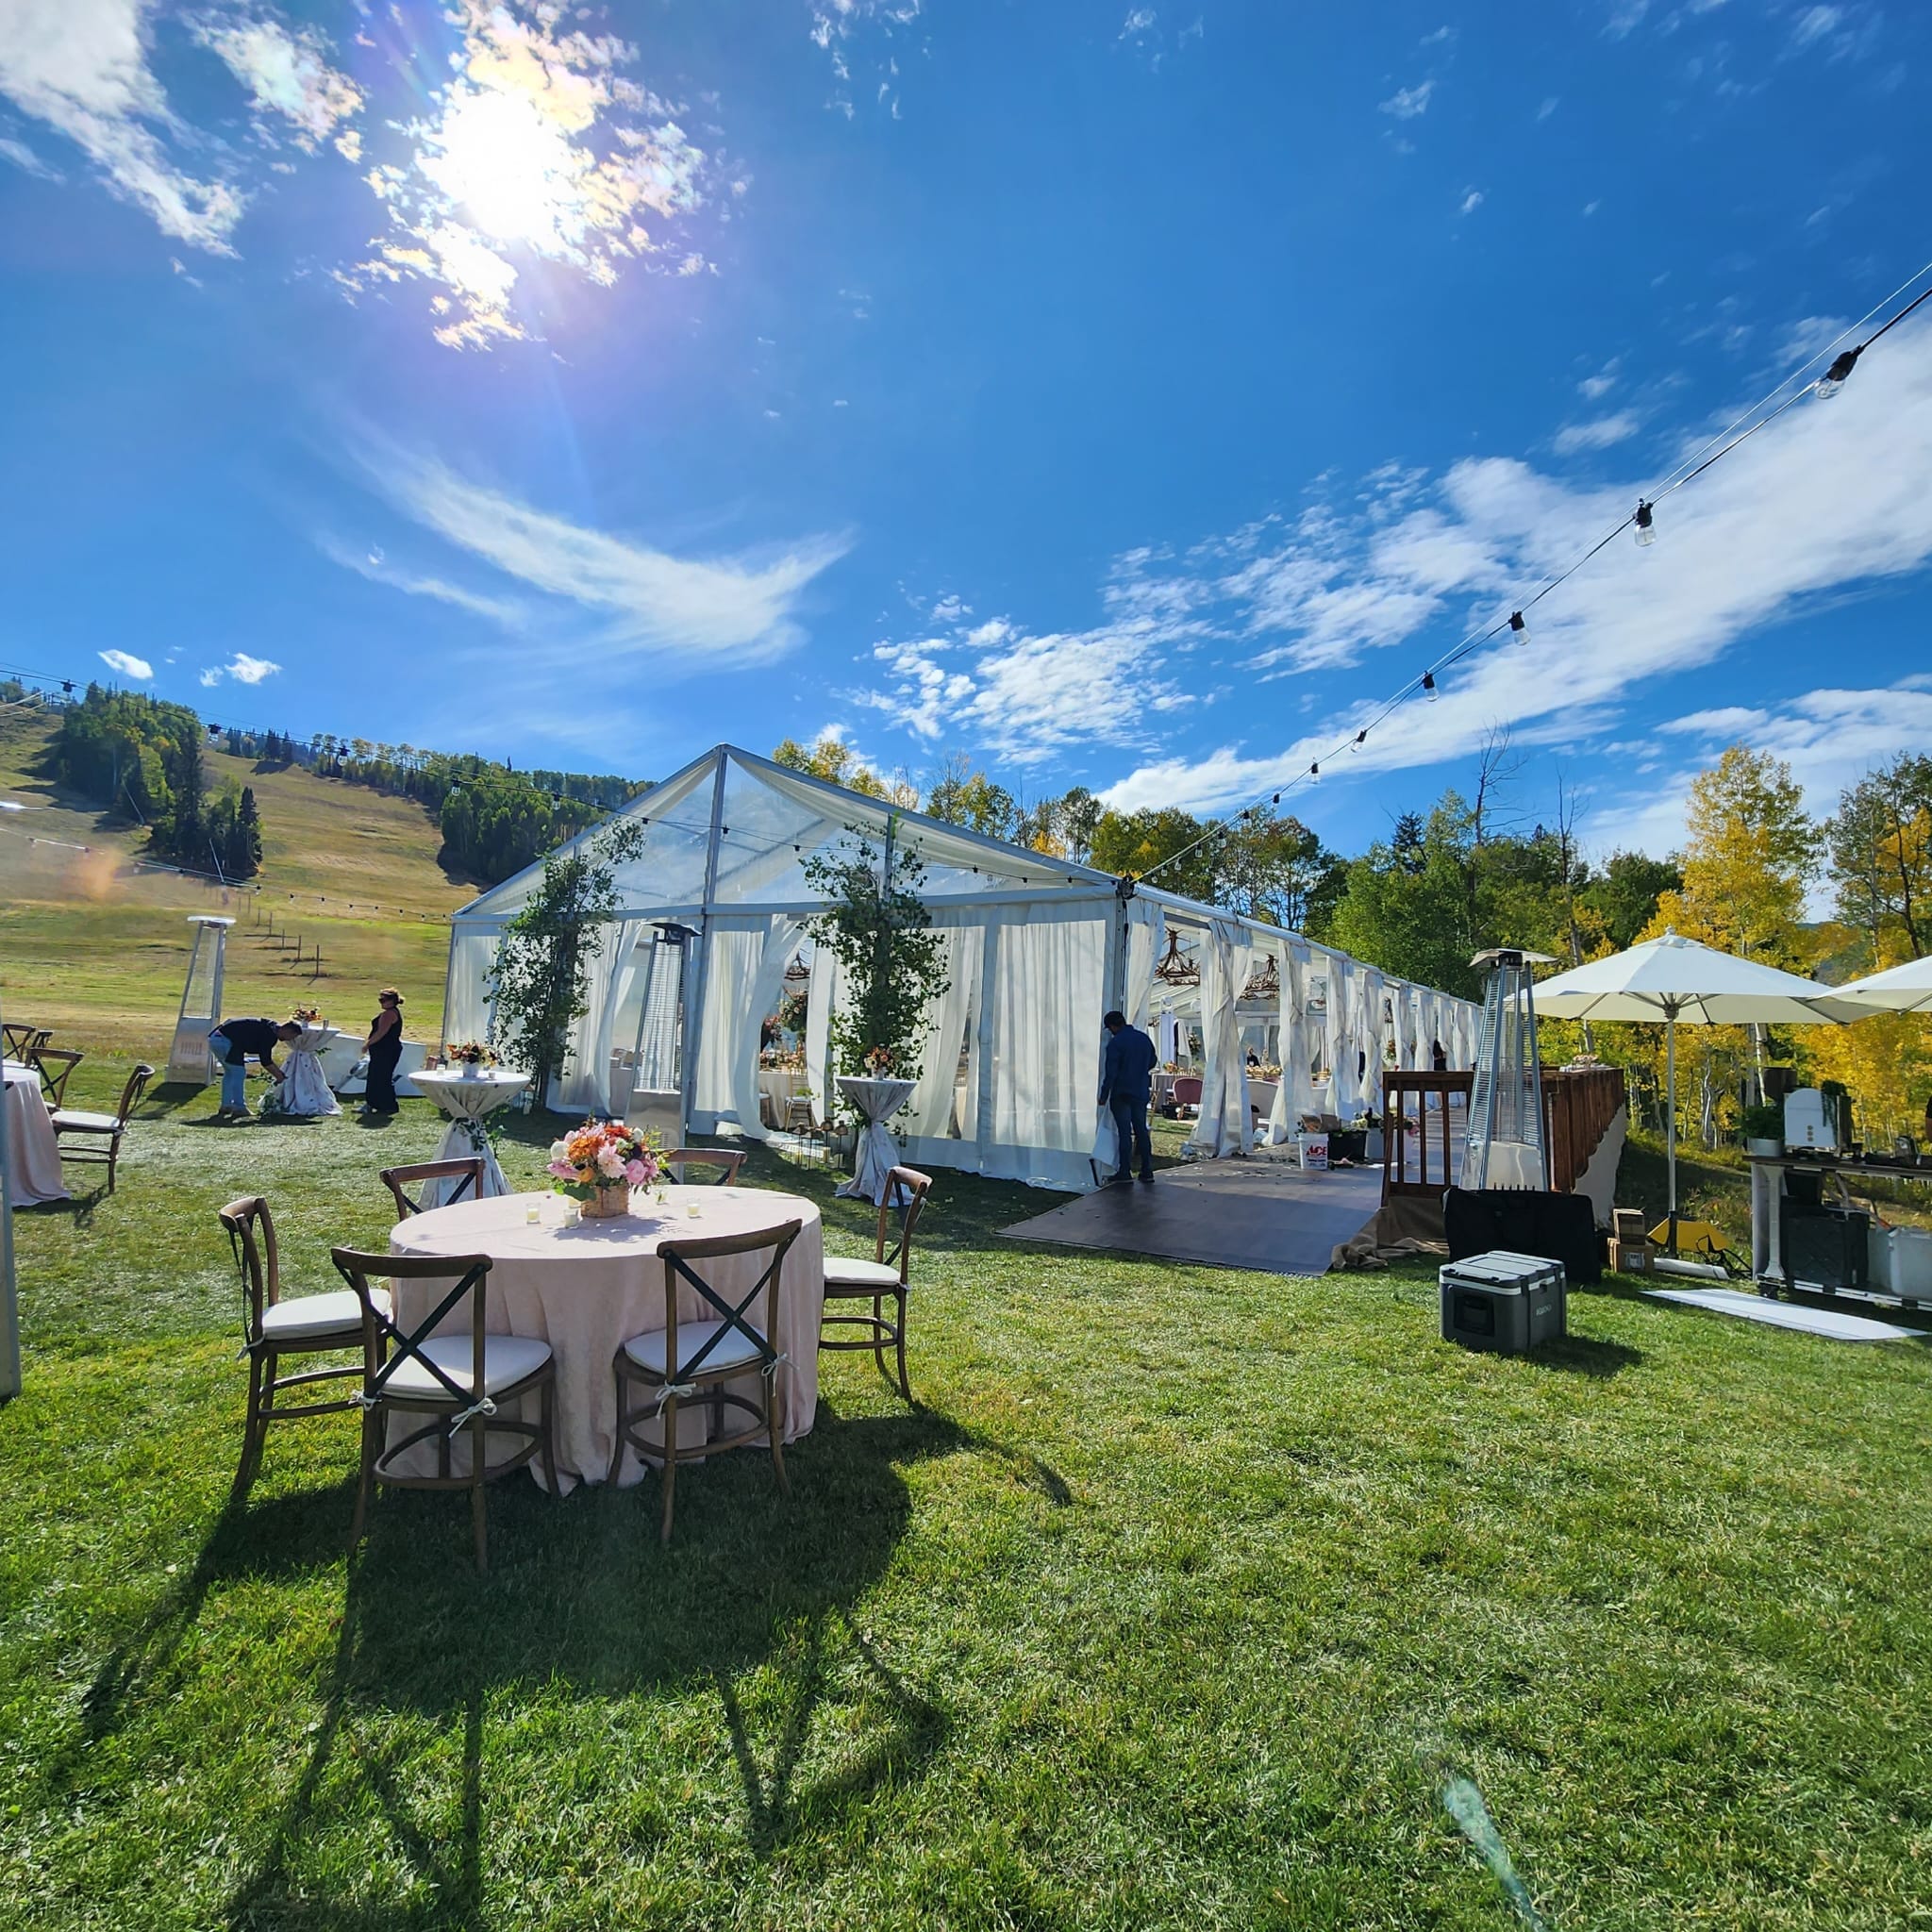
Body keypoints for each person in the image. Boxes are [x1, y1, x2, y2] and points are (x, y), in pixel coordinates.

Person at [1099, 1008, 1158, 1186]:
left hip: (1122, 1093)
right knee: (1141, 1130)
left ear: (1112, 1026)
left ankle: (1125, 1171)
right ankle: (1147, 1170)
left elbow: (1111, 1074)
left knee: (1124, 1132)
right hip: (1140, 1091)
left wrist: (1103, 1095)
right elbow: (1153, 1061)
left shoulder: (1116, 1044)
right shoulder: (1144, 1039)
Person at [208, 1016, 301, 1120]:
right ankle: (239, 1107)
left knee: (230, 1073)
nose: (289, 1040)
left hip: (215, 1038)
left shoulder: (270, 1026)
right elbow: (265, 1061)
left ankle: (226, 1105)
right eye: (291, 1036)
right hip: (225, 1041)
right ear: (286, 1030)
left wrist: (278, 1074)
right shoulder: (269, 1035)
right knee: (238, 1073)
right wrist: (279, 1076)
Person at [361, 988, 406, 1117]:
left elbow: (381, 1032)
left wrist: (368, 1044)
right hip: (387, 1049)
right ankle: (379, 1104)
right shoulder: (391, 1012)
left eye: (383, 1000)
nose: (381, 1002)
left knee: (380, 1077)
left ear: (392, 1001)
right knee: (379, 1076)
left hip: (386, 1049)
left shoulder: (389, 1014)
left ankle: (384, 1104)